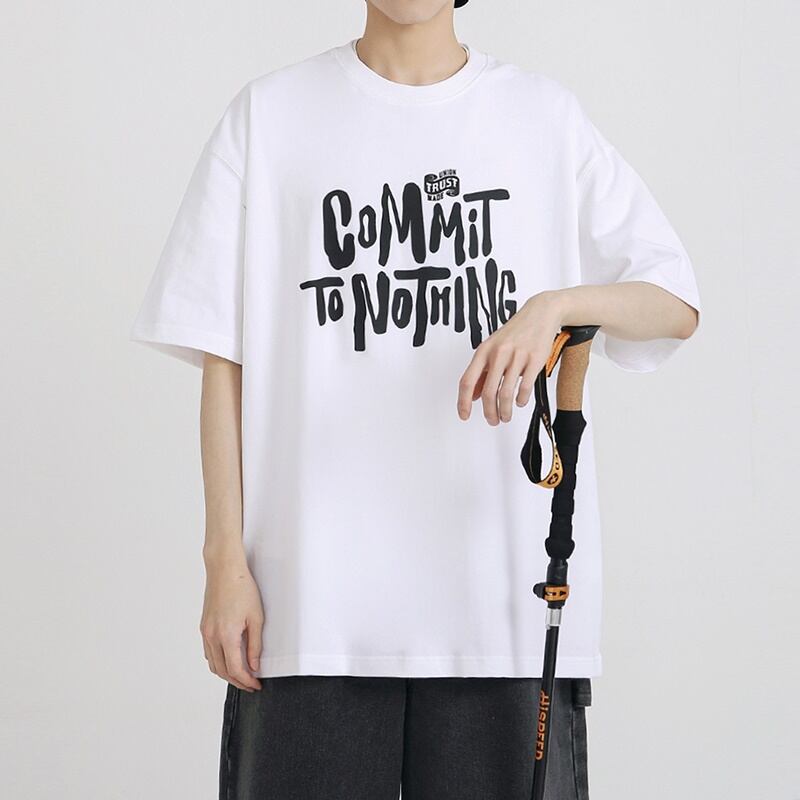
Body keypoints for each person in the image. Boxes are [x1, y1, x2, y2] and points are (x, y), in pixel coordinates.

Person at [130, 1, 701, 798]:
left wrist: (556, 307)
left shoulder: (542, 117)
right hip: (311, 613)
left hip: (503, 614)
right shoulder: (269, 116)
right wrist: (224, 562)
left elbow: (674, 302)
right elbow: (221, 353)